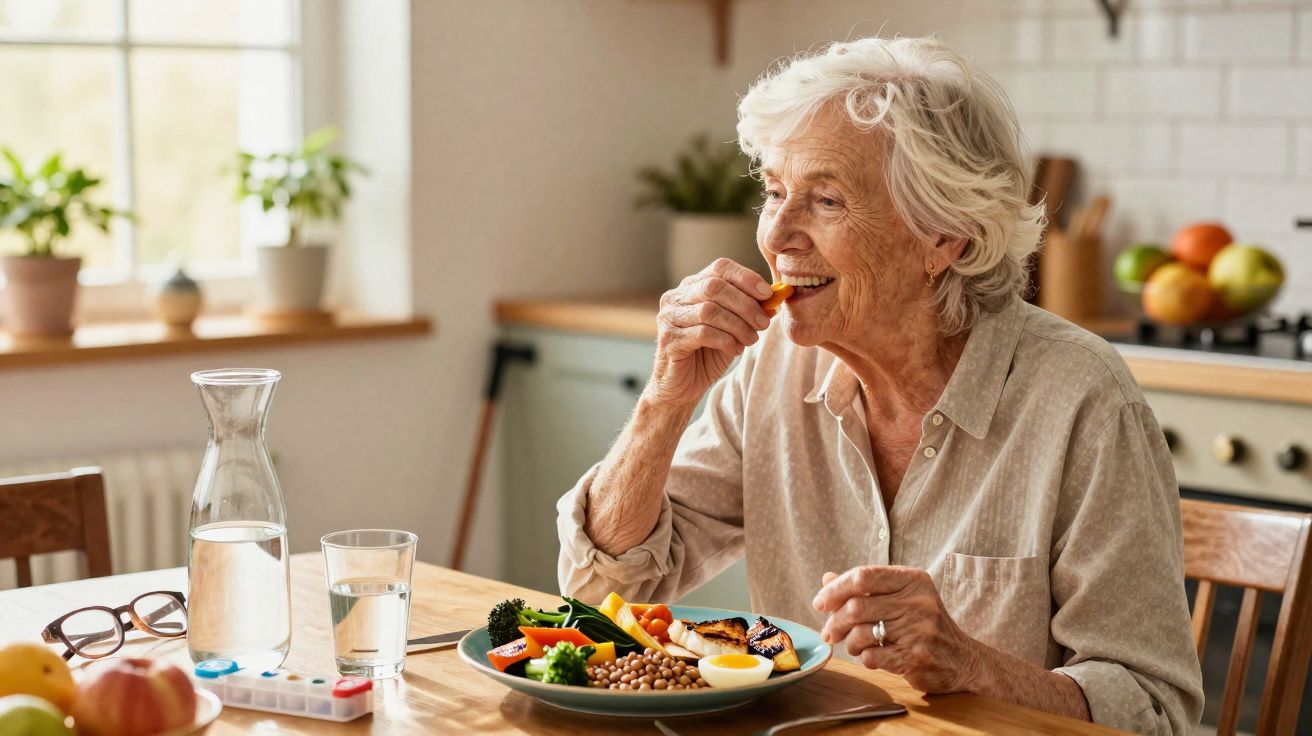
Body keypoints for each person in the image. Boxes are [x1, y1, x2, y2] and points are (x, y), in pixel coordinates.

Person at [555, 36, 1203, 734]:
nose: (777, 235)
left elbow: (1155, 710)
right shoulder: (773, 365)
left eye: (826, 200)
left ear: (944, 236)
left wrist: (971, 665)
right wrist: (665, 399)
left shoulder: (1084, 400)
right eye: (774, 192)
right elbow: (604, 589)